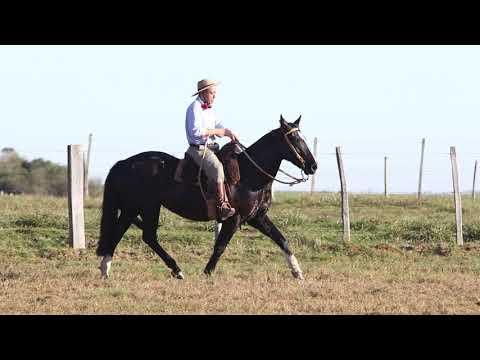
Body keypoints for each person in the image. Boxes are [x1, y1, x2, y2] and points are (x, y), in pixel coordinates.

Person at [185, 79, 239, 221]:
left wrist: (228, 131)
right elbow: (195, 132)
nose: (215, 96)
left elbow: (218, 124)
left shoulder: (209, 109)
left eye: (215, 93)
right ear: (203, 92)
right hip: (199, 149)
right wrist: (217, 131)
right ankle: (222, 206)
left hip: (212, 148)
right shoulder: (194, 107)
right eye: (212, 93)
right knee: (217, 168)